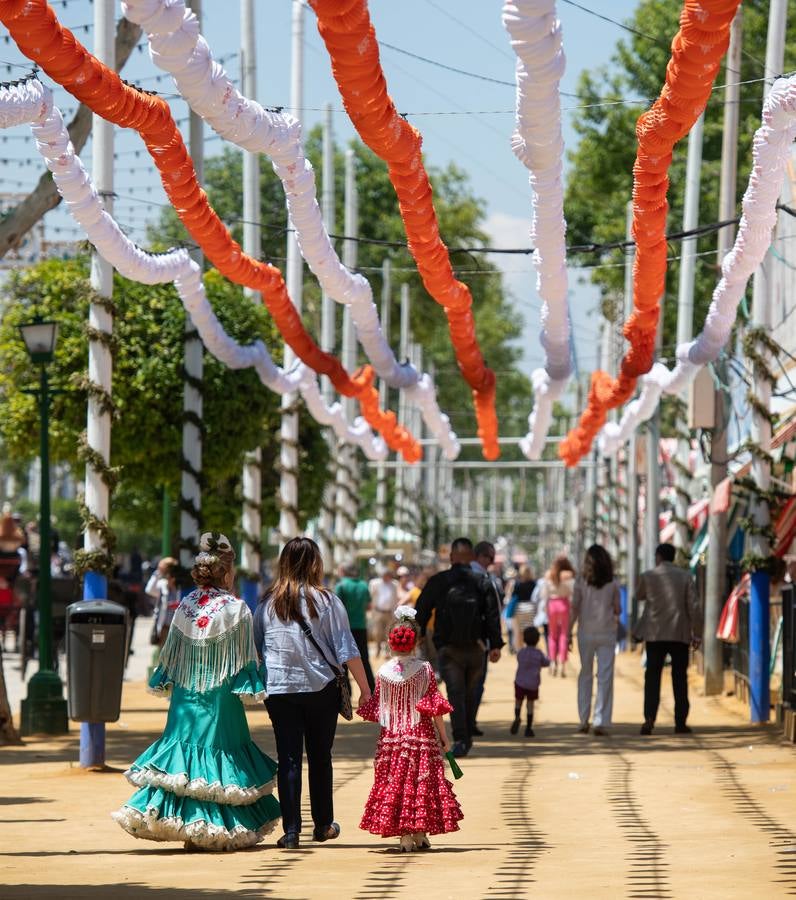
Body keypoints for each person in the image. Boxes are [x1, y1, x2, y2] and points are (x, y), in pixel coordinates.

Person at [113, 533, 280, 850]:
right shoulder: (236, 608)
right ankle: (210, 827)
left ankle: (185, 825)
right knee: (218, 755)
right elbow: (245, 658)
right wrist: (251, 686)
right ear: (226, 573)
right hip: (220, 693)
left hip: (186, 693)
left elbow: (170, 653)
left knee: (184, 756)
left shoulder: (186, 605)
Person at [254, 537, 372, 849]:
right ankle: (322, 825)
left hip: (279, 689)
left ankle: (291, 831)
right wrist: (365, 689)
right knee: (320, 756)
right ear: (316, 564)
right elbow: (346, 648)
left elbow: (256, 649)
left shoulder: (267, 603)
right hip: (322, 687)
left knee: (288, 757)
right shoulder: (327, 601)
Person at [358, 606, 462, 851]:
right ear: (416, 642)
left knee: (396, 783)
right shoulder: (425, 670)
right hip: (421, 735)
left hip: (392, 738)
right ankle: (420, 833)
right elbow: (434, 707)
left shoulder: (383, 673)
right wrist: (444, 737)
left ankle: (404, 836)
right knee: (420, 783)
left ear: (389, 642)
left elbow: (380, 709)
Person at [415, 537, 503, 758]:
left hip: (448, 648)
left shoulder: (439, 581)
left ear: (451, 557)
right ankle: (468, 731)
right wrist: (495, 644)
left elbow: (422, 608)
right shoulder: (482, 581)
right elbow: (493, 614)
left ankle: (461, 739)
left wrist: (419, 634)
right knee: (471, 692)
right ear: (472, 557)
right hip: (477, 647)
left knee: (456, 693)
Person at [634, 543, 702, 735]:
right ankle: (680, 722)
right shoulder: (686, 576)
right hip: (679, 634)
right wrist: (697, 633)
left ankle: (649, 718)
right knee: (679, 677)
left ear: (658, 557)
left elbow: (639, 595)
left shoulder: (648, 576)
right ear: (673, 557)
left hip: (655, 634)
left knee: (652, 677)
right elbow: (694, 606)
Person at [570, 545, 621, 736]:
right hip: (607, 633)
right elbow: (618, 609)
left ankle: (583, 720)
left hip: (585, 632)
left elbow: (574, 608)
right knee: (605, 676)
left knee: (585, 674)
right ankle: (601, 720)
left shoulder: (581, 581)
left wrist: (567, 632)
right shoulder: (613, 582)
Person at [335, 562, 375, 690]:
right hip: (361, 626)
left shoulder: (341, 585)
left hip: (344, 628)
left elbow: (336, 608)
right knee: (364, 659)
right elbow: (368, 606)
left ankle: (347, 692)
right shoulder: (363, 585)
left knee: (344, 661)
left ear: (343, 571)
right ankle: (371, 689)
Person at [538, 555, 576, 677]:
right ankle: (563, 666)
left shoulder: (549, 575)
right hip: (564, 604)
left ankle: (553, 662)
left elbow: (544, 594)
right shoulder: (570, 575)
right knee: (564, 635)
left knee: (552, 635)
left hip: (552, 605)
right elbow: (573, 593)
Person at [511, 626, 549, 737]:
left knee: (518, 701)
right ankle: (528, 728)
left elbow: (518, 659)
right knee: (530, 704)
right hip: (533, 684)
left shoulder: (521, 652)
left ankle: (517, 717)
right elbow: (546, 663)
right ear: (537, 640)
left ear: (524, 639)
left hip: (520, 682)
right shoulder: (538, 653)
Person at [369, 568, 398, 657]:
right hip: (378, 612)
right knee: (377, 632)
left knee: (389, 633)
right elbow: (370, 597)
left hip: (389, 612)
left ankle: (387, 651)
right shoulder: (374, 583)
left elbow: (396, 598)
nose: (386, 577)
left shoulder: (394, 584)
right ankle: (378, 649)